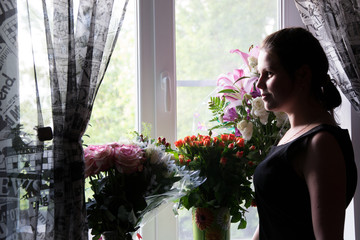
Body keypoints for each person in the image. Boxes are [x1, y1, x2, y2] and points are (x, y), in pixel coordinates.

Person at [252, 27, 357, 240]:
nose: (259, 83)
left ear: (302, 75)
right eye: (259, 74)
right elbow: (270, 223)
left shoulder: (321, 143)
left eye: (269, 74)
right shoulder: (293, 134)